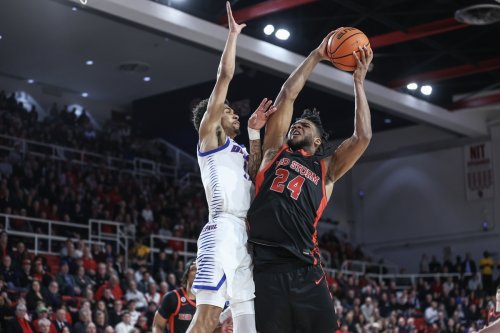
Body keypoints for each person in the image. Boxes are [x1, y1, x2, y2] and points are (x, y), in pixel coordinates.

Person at [246, 29, 373, 332]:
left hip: (306, 271)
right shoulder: (273, 151)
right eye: (296, 123)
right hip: (266, 269)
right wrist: (317, 53)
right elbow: (288, 95)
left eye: (304, 125)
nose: (297, 125)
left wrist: (358, 83)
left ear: (318, 142)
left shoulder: (326, 170)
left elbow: (363, 137)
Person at [187, 2, 275, 333]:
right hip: (221, 231)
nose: (233, 112)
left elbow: (254, 172)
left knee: (248, 326)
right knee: (207, 318)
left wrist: (255, 132)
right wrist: (233, 36)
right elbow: (225, 75)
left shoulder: (237, 149)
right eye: (227, 110)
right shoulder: (210, 139)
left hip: (244, 238)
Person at [153, 260, 196, 333]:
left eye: (201, 270)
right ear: (186, 273)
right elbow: (158, 326)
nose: (197, 272)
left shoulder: (208, 302)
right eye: (194, 269)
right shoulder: (173, 297)